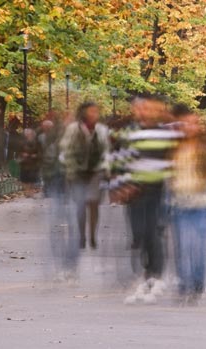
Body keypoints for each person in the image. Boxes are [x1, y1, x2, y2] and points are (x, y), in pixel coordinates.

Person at [110, 95, 181, 305]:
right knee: (138, 234)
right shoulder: (130, 133)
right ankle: (147, 273)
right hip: (134, 191)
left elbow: (174, 160)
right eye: (140, 108)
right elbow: (118, 161)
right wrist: (119, 187)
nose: (143, 112)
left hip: (157, 190)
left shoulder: (165, 134)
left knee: (153, 232)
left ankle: (154, 275)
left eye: (148, 108)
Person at [170, 110, 206, 304]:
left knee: (197, 244)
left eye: (193, 123)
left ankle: (196, 281)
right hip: (180, 202)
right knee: (182, 245)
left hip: (202, 202)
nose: (189, 127)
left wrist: (205, 183)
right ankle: (184, 282)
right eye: (185, 123)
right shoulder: (176, 148)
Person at [60, 102, 110, 250]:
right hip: (77, 172)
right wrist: (69, 169)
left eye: (96, 111)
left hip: (96, 172)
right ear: (83, 113)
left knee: (94, 204)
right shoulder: (73, 129)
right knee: (80, 205)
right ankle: (82, 236)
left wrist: (106, 169)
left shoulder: (102, 130)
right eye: (91, 111)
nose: (94, 114)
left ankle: (93, 235)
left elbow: (106, 151)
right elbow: (65, 150)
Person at [19, 128, 42, 195]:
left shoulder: (37, 143)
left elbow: (41, 152)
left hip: (33, 163)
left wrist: (36, 155)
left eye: (29, 134)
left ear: (33, 134)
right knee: (25, 178)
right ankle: (27, 191)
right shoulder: (22, 142)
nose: (28, 135)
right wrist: (22, 154)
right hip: (24, 162)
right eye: (27, 134)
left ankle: (31, 191)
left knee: (32, 178)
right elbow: (18, 151)